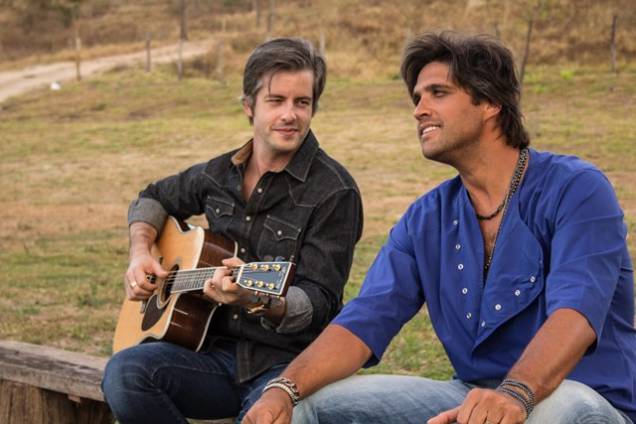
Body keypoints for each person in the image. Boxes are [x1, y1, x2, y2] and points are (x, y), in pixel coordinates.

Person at [243, 32, 636, 424]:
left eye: (438, 93)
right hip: (470, 397)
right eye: (417, 98)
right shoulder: (426, 218)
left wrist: (514, 394)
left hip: (580, 399)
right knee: (306, 404)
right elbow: (364, 320)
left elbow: (575, 313)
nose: (419, 110)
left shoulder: (576, 189)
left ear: (490, 101)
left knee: (563, 408)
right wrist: (283, 389)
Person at [101, 37, 363, 424]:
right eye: (276, 100)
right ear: (248, 106)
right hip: (211, 356)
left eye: (302, 102)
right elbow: (153, 198)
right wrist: (140, 252)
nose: (290, 114)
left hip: (287, 366)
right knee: (125, 374)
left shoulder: (334, 192)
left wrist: (257, 298)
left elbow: (318, 301)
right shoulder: (219, 174)